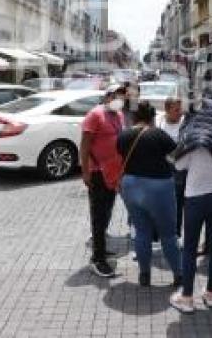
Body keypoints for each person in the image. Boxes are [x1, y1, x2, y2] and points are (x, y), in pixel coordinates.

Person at [169, 98, 212, 314]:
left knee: (190, 248)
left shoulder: (193, 142)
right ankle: (211, 293)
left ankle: (187, 298)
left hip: (195, 198)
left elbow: (178, 164)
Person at [117, 102, 182, 287]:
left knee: (142, 231)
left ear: (133, 117)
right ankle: (178, 275)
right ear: (152, 117)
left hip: (130, 185)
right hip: (158, 186)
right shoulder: (158, 134)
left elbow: (122, 155)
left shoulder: (123, 135)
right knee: (168, 234)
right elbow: (176, 156)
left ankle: (144, 275)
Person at [80, 84, 126, 278]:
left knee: (106, 212)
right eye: (116, 96)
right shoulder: (94, 115)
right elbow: (84, 146)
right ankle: (98, 259)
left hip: (113, 172)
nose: (120, 99)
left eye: (122, 96)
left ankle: (102, 249)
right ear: (108, 96)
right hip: (97, 172)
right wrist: (85, 172)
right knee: (98, 215)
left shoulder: (119, 115)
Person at [157, 97, 186, 236]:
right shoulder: (159, 122)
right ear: (167, 110)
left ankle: (176, 233)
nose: (180, 112)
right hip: (161, 168)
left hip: (179, 169)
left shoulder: (185, 123)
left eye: (180, 109)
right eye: (176, 110)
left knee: (177, 202)